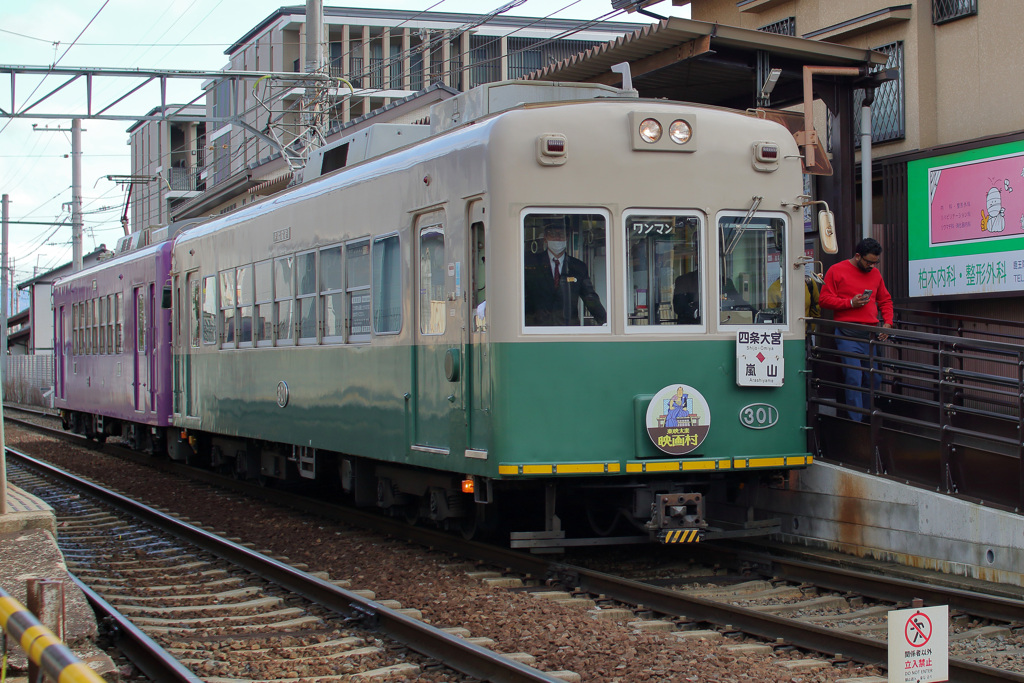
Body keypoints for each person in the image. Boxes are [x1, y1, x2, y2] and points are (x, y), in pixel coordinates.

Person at [819, 237, 894, 422]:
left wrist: (888, 323)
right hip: (847, 333)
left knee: (874, 379)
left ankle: (868, 418)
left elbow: (885, 300)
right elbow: (824, 299)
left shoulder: (875, 274)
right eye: (868, 262)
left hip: (871, 333)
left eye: (875, 263)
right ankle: (856, 422)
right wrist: (850, 303)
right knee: (853, 377)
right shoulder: (836, 270)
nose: (872, 266)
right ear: (858, 256)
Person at [524, 223, 606, 326]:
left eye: (561, 234)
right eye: (552, 234)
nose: (557, 238)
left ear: (567, 238)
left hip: (568, 329)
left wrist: (605, 322)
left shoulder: (578, 267)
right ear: (545, 238)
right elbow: (522, 296)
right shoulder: (530, 264)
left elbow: (589, 297)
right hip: (536, 329)